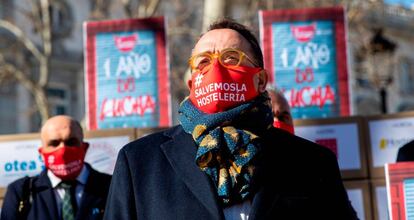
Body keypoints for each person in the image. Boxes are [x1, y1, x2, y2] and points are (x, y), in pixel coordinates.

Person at [104, 19, 357, 219]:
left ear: (260, 80)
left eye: (230, 58)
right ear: (192, 83)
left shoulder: (312, 163)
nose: (216, 68)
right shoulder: (139, 163)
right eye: (203, 62)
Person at [1, 115, 111, 220]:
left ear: (85, 148)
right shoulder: (20, 191)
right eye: (54, 143)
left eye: (71, 142)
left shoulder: (111, 186)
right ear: (42, 153)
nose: (63, 150)